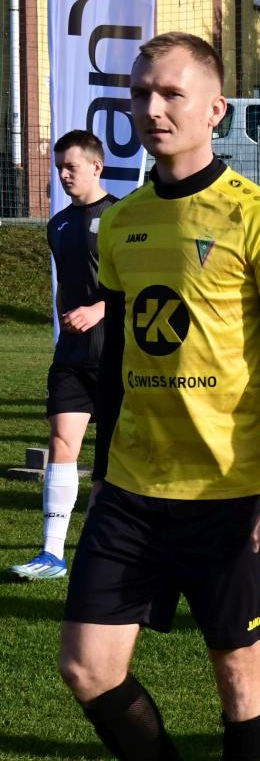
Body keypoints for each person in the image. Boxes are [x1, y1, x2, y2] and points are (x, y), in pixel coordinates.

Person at [58, 32, 260, 759]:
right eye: (142, 93)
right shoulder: (122, 220)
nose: (153, 108)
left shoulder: (258, 216)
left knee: (240, 679)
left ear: (215, 109)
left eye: (172, 93)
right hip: (133, 486)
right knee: (86, 666)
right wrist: (102, 468)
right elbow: (118, 358)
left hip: (231, 490)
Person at [9, 131, 117, 581]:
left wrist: (99, 309)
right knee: (61, 444)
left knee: (113, 459)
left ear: (97, 166)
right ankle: (52, 554)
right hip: (71, 356)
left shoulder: (121, 218)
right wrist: (66, 326)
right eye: (59, 168)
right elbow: (65, 288)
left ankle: (104, 551)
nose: (64, 175)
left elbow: (140, 287)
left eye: (71, 166)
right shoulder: (57, 224)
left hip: (116, 355)